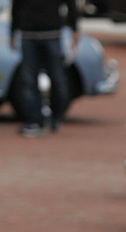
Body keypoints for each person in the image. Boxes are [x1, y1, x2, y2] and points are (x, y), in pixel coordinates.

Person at [11, 0, 79, 137]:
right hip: (28, 34)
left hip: (52, 33)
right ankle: (35, 121)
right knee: (29, 80)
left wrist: (74, 28)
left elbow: (70, 4)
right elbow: (16, 6)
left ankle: (56, 116)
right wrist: (13, 31)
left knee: (58, 79)